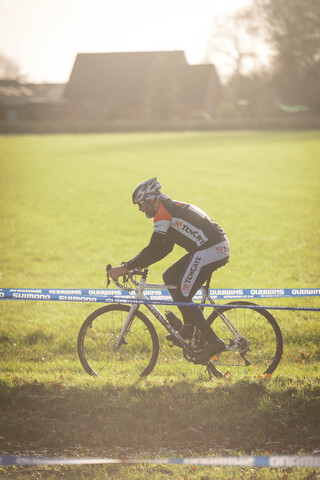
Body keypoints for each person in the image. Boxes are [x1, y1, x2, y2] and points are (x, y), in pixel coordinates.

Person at [108, 177, 230, 364]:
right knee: (170, 276)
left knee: (182, 292)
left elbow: (153, 247)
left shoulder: (164, 213)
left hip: (212, 249)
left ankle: (214, 341)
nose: (140, 209)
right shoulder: (169, 209)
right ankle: (189, 325)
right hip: (208, 248)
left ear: (151, 198)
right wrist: (135, 267)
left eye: (141, 204)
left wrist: (125, 267)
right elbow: (163, 249)